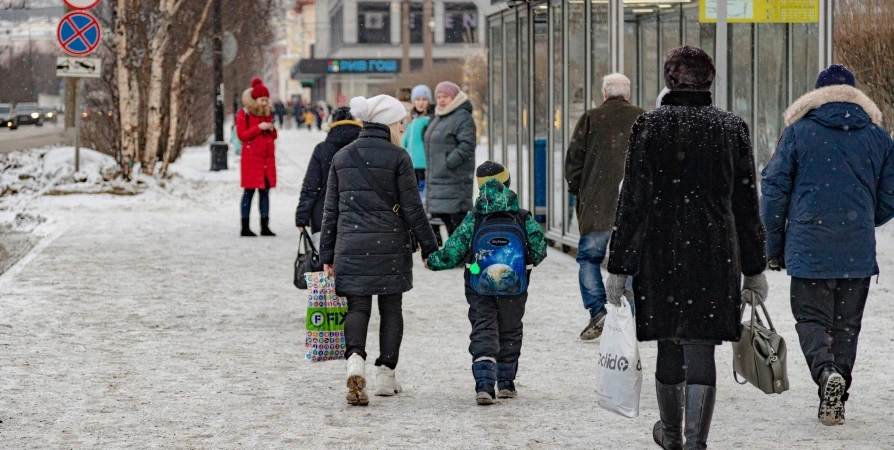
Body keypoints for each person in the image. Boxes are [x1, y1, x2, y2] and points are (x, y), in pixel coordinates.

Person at [605, 46, 768, 450]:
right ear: (711, 81)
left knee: (667, 341)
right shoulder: (732, 129)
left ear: (669, 81)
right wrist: (754, 267)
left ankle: (672, 434)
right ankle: (696, 442)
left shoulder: (649, 126)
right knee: (702, 345)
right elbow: (747, 205)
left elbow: (633, 203)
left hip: (659, 254)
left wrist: (620, 265)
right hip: (715, 253)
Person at [761, 64, 894, 426]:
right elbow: (890, 195)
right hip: (857, 248)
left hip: (809, 244)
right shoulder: (879, 138)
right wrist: (863, 217)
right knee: (847, 325)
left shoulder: (798, 133)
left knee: (812, 318)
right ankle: (838, 389)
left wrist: (774, 245)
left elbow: (773, 192)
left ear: (816, 97)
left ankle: (825, 374)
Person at [319, 95, 439, 407]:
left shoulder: (342, 157)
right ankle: (386, 374)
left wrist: (327, 256)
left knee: (357, 308)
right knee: (391, 308)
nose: (404, 126)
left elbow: (330, 212)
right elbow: (413, 209)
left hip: (351, 245)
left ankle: (355, 360)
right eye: (401, 122)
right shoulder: (399, 157)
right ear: (388, 124)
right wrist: (430, 247)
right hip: (390, 246)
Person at [426, 161, 547, 405]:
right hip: (514, 285)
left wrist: (432, 261)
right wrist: (522, 264)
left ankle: (484, 384)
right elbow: (540, 249)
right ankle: (506, 384)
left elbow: (453, 251)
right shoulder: (523, 217)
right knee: (510, 328)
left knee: (483, 326)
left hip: (478, 282)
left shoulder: (474, 219)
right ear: (508, 184)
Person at [564, 73, 645, 341]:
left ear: (604, 93)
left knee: (589, 259)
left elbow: (574, 160)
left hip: (596, 204)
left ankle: (598, 310)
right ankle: (630, 316)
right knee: (630, 263)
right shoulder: (642, 118)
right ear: (628, 93)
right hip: (633, 206)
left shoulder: (590, 118)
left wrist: (579, 189)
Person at [295, 107, 362, 234]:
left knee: (325, 253)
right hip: (358, 216)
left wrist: (302, 217)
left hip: (324, 214)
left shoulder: (322, 149)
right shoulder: (365, 148)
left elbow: (311, 185)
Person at [423, 81, 477, 236]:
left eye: (445, 96)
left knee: (457, 231)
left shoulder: (462, 117)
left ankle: (463, 261)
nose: (441, 100)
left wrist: (448, 163)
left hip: (454, 181)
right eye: (438, 96)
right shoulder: (439, 116)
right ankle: (455, 260)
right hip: (438, 181)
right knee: (449, 229)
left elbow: (467, 144)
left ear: (454, 97)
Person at [236, 78, 278, 237]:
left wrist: (271, 128)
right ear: (255, 99)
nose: (265, 103)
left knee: (265, 193)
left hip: (267, 160)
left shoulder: (267, 113)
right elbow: (242, 135)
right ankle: (245, 226)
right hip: (251, 160)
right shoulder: (244, 113)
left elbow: (273, 135)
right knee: (249, 192)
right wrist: (258, 128)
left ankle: (265, 226)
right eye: (262, 100)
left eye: (267, 100)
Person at [402, 85, 433, 198]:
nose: (421, 103)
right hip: (411, 164)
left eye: (424, 99)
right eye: (418, 99)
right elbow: (405, 140)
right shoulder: (412, 119)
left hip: (423, 165)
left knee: (422, 192)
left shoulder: (429, 119)